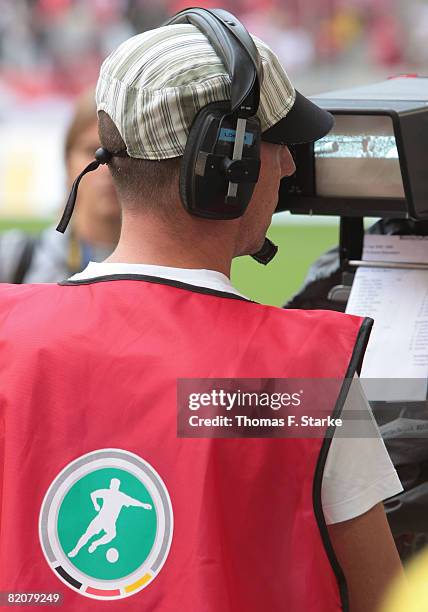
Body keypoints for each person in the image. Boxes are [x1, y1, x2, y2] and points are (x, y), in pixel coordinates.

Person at [0, 9, 403, 612]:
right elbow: (389, 600)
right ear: (226, 167)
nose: (290, 165)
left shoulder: (7, 331)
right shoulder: (306, 373)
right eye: (276, 144)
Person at [0, 88, 121, 283]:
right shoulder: (15, 257)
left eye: (119, 153)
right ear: (67, 161)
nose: (106, 168)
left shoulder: (171, 268)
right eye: (93, 151)